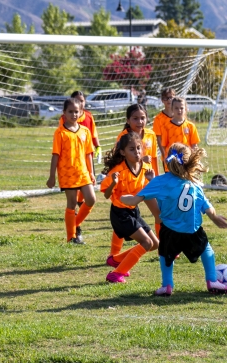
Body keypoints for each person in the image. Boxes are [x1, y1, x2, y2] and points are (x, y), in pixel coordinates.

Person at [120, 143, 227, 296]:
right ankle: (212, 280)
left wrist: (122, 198)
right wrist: (215, 217)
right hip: (192, 229)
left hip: (170, 229)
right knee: (206, 250)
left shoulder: (160, 181)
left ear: (167, 161)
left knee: (166, 255)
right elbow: (207, 207)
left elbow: (134, 201)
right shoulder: (194, 183)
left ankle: (167, 286)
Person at [101, 132, 159, 283]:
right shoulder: (118, 171)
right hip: (120, 213)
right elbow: (106, 195)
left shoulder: (146, 168)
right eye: (132, 149)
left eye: (139, 148)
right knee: (146, 243)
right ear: (123, 152)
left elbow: (151, 192)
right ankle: (116, 274)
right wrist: (113, 183)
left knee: (155, 244)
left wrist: (152, 181)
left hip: (133, 211)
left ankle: (116, 260)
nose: (137, 152)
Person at [109, 104, 162, 260]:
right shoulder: (123, 136)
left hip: (146, 181)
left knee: (159, 214)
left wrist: (156, 180)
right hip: (128, 183)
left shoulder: (151, 135)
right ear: (128, 120)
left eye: (143, 118)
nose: (139, 121)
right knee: (123, 217)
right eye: (135, 118)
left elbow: (153, 159)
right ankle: (114, 254)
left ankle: (163, 248)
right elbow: (118, 160)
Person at [46, 98, 96, 244]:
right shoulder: (60, 133)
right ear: (64, 113)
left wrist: (91, 172)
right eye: (71, 111)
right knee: (72, 203)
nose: (74, 114)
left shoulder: (85, 131)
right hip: (67, 174)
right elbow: (56, 155)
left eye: (77, 111)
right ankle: (71, 237)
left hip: (83, 173)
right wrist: (51, 177)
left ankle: (74, 224)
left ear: (81, 112)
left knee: (91, 199)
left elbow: (88, 154)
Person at [69, 91, 101, 216]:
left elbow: (94, 132)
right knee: (76, 183)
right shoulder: (66, 117)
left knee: (88, 179)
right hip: (73, 158)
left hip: (87, 155)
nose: (80, 103)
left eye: (82, 100)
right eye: (77, 100)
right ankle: (76, 205)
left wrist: (97, 145)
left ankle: (80, 201)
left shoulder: (88, 116)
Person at [160, 97, 200, 171]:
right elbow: (164, 146)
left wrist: (194, 159)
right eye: (176, 108)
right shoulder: (166, 127)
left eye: (181, 108)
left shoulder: (191, 126)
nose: (179, 110)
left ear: (185, 109)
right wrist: (165, 158)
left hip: (186, 161)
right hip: (172, 162)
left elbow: (194, 145)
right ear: (172, 109)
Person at [152, 88, 175, 172]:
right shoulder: (158, 119)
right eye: (166, 98)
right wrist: (164, 154)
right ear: (162, 100)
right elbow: (159, 138)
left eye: (171, 97)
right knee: (169, 179)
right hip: (168, 154)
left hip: (181, 153)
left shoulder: (179, 115)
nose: (169, 100)